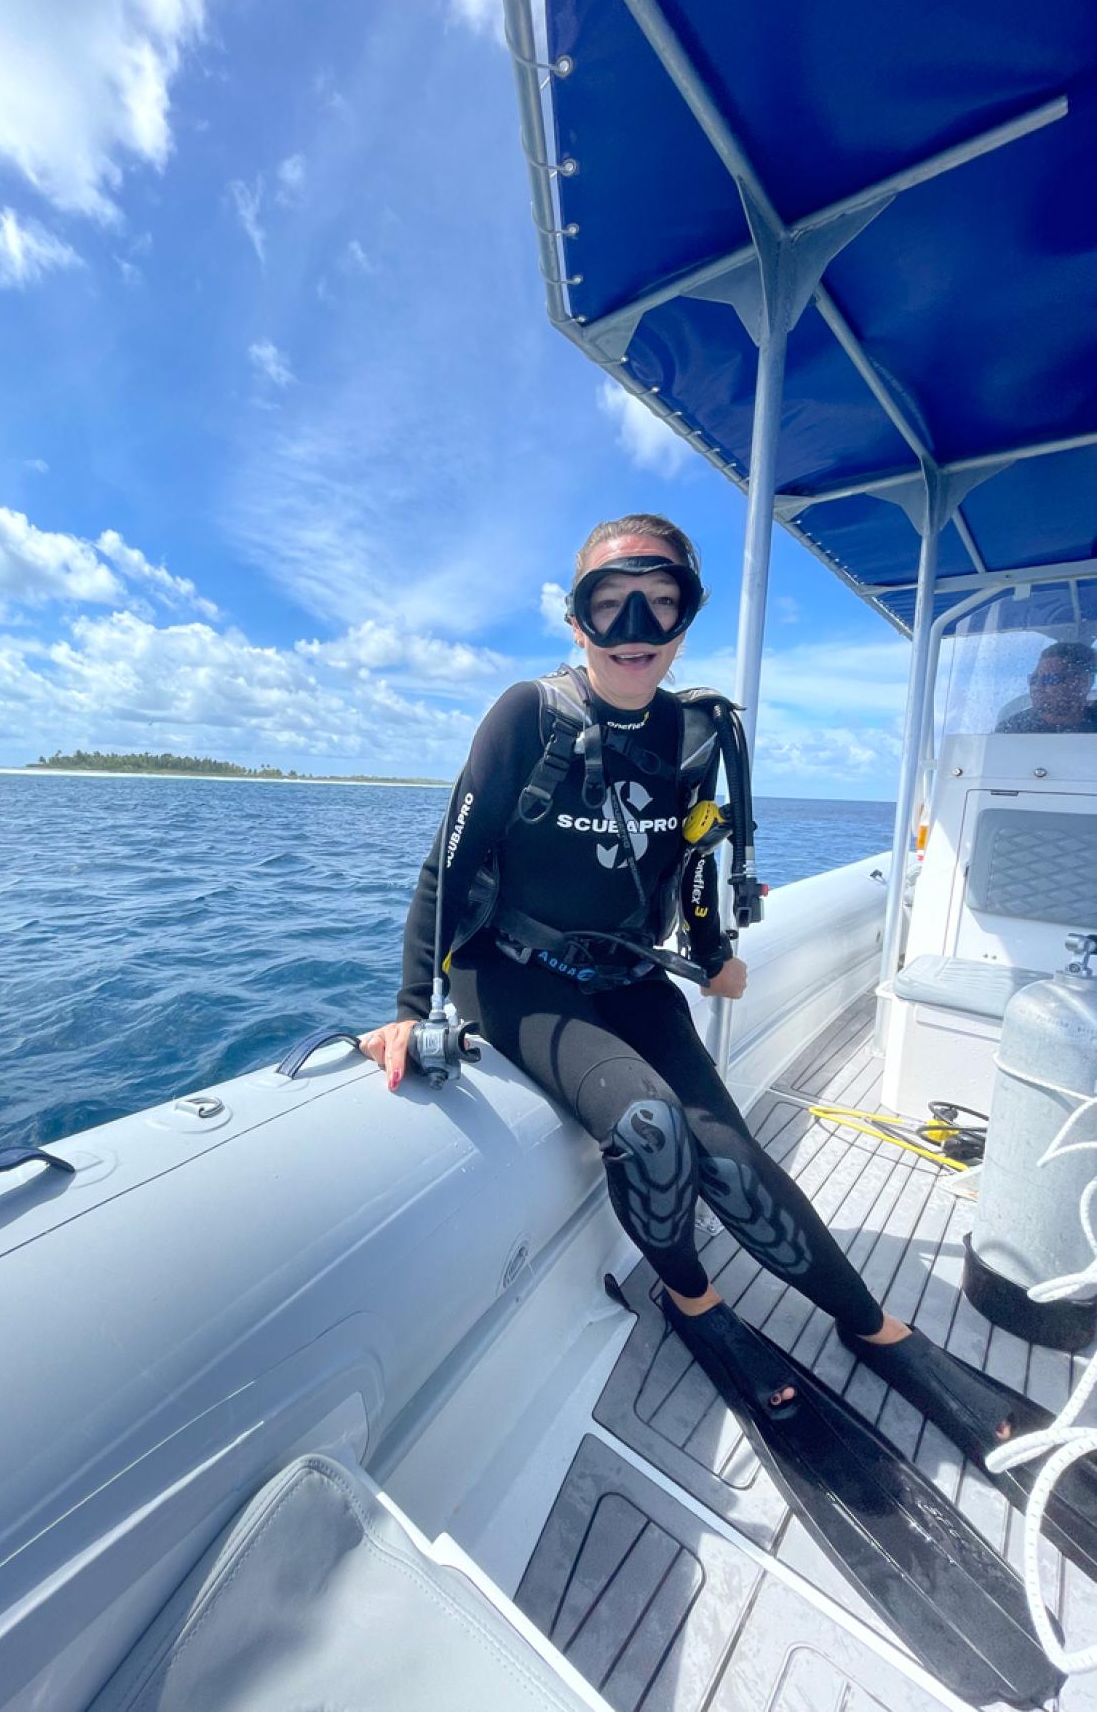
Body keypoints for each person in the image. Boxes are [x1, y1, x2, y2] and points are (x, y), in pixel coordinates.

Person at [359, 513, 919, 1408]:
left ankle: (873, 1323)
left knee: (731, 1162)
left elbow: (693, 864)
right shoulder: (527, 718)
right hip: (511, 972)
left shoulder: (696, 738)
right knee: (652, 1128)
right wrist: (407, 1002)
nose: (634, 633)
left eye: (660, 606)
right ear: (576, 620)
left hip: (629, 974)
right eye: (609, 606)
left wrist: (713, 952)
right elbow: (448, 864)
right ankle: (695, 1298)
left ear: (685, 622)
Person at [995, 640, 1097, 734]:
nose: (1037, 687)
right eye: (1033, 680)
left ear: (1083, 683)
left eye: (1050, 679)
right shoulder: (1011, 731)